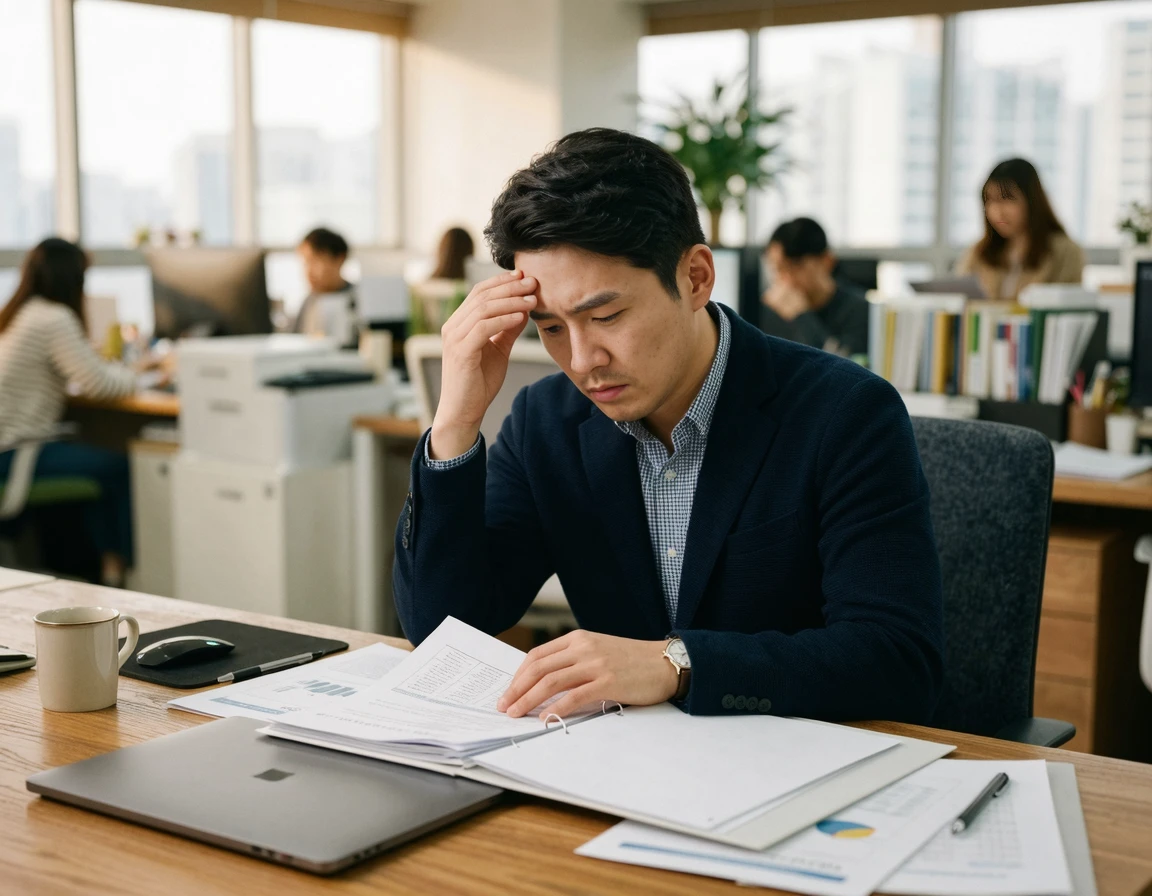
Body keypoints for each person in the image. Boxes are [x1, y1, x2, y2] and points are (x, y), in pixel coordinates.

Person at [393, 128, 943, 724]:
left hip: (799, 769)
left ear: (696, 278)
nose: (582, 361)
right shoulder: (544, 423)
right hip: (624, 773)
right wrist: (454, 423)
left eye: (606, 315)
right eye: (550, 328)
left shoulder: (845, 413)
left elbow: (897, 659)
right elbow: (442, 628)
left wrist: (677, 663)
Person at [0, 238, 139, 586]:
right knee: (118, 466)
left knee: (96, 460)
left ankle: (101, 567)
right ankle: (119, 572)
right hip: (17, 453)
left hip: (11, 446)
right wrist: (141, 374)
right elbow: (100, 385)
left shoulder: (22, 313)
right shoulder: (53, 317)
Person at [957, 158, 1084, 301]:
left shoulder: (1065, 253)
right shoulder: (979, 253)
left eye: (1007, 199)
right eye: (990, 200)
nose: (997, 211)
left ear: (1032, 200)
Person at [760, 217, 870, 357]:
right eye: (778, 269)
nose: (785, 280)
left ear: (827, 261)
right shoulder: (769, 310)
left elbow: (841, 369)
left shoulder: (860, 311)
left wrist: (801, 317)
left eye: (794, 267)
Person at [293, 227, 354, 339]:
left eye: (315, 261)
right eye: (305, 262)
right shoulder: (309, 302)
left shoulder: (358, 301)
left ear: (340, 259)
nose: (309, 271)